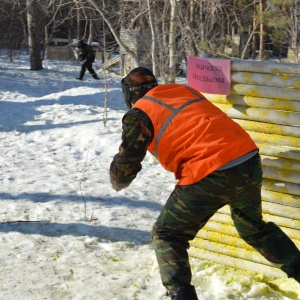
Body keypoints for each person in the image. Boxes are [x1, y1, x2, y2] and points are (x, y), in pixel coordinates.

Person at [109, 67, 300, 300]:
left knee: (167, 234)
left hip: (209, 170)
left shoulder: (139, 113)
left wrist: (117, 181)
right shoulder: (182, 90)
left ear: (129, 94)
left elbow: (127, 162)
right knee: (253, 228)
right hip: (247, 159)